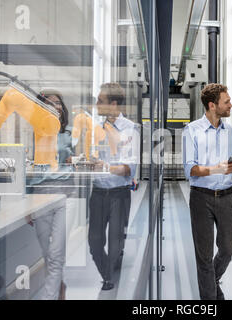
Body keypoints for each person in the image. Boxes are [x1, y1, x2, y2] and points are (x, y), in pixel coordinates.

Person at [182, 83, 232, 300]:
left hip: (227, 196)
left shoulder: (230, 131)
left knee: (228, 249)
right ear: (212, 105)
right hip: (201, 198)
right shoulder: (192, 131)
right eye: (226, 102)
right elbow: (191, 170)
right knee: (204, 256)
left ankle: (211, 282)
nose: (231, 105)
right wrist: (218, 168)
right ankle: (210, 301)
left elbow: (229, 163)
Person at [88, 82, 139, 291]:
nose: (97, 104)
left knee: (116, 242)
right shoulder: (96, 128)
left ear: (114, 104)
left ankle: (108, 277)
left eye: (100, 101)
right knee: (94, 243)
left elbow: (129, 169)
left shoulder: (129, 129)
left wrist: (105, 166)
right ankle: (109, 271)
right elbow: (93, 157)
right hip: (98, 193)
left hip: (119, 194)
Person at [26, 89, 75, 300]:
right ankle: (60, 287)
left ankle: (50, 297)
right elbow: (27, 169)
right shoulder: (34, 134)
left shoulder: (68, 134)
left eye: (58, 103)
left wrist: (73, 162)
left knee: (56, 254)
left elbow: (76, 162)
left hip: (64, 195)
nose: (55, 107)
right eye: (49, 103)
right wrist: (26, 204)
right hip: (39, 196)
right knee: (47, 254)